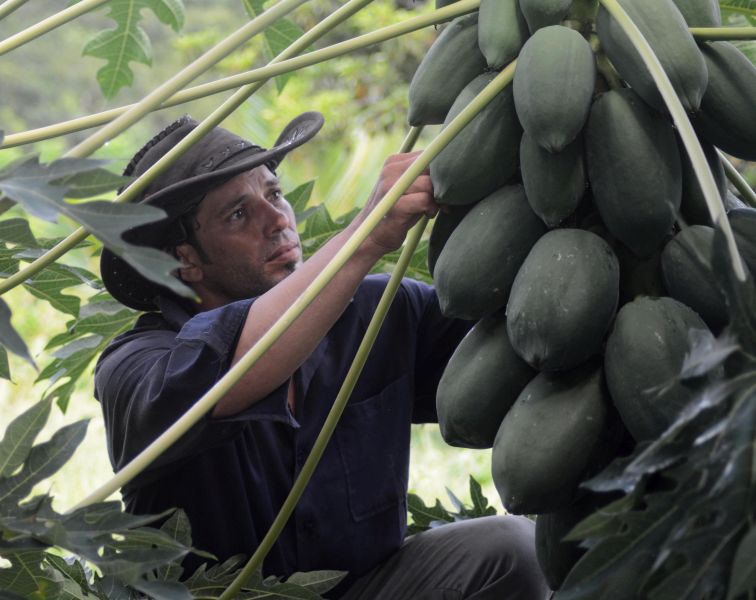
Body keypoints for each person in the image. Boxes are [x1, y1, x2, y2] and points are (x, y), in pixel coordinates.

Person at [95, 112, 549, 599]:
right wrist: (366, 237)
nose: (277, 221)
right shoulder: (135, 368)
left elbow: (524, 349)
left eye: (274, 194)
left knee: (509, 549)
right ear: (184, 260)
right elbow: (235, 369)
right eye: (238, 214)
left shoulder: (381, 311)